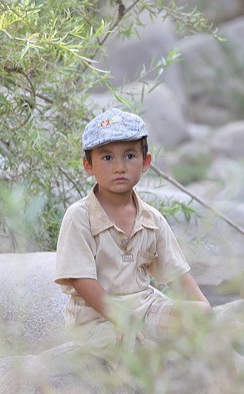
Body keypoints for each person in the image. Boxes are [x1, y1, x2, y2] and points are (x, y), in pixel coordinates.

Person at [54, 107, 212, 369]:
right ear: (88, 166)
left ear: (146, 162)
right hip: (97, 318)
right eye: (107, 158)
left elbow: (177, 274)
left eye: (129, 156)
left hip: (146, 308)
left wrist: (204, 310)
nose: (119, 167)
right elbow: (80, 278)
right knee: (134, 350)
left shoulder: (152, 220)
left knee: (200, 316)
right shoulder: (80, 216)